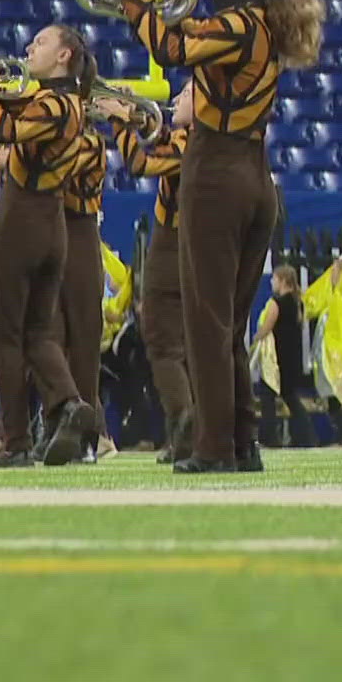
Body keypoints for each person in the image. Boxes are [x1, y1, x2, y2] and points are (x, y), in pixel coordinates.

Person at [116, 0, 325, 472]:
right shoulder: (258, 20)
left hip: (217, 172)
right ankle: (241, 442)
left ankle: (214, 448)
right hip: (252, 172)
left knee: (205, 322)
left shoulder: (239, 20)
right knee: (227, 323)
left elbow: (170, 45)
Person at [0, 25, 103, 468]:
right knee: (39, 330)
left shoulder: (54, 103)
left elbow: (5, 128)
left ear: (64, 55)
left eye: (39, 43)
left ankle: (17, 441)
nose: (28, 48)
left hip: (23, 218)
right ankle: (67, 404)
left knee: (4, 332)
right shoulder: (70, 103)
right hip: (52, 226)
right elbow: (13, 109)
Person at [102, 81, 197, 463]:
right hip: (186, 242)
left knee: (161, 338)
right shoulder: (197, 137)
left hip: (174, 241)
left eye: (186, 94)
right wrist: (137, 116)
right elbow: (159, 136)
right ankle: (183, 432)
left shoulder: (194, 140)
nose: (176, 100)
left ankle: (185, 422)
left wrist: (119, 123)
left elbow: (141, 164)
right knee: (181, 341)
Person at [59, 98, 112, 461]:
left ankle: (92, 435)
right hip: (54, 233)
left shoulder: (90, 145)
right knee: (50, 341)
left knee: (81, 345)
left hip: (78, 235)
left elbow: (48, 172)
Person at [252, 264, 318, 448]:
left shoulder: (276, 303)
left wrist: (256, 339)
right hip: (292, 358)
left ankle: (270, 438)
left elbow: (267, 327)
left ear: (282, 281)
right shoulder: (298, 302)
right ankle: (308, 437)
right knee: (291, 397)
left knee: (267, 397)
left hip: (277, 360)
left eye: (274, 279)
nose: (272, 282)